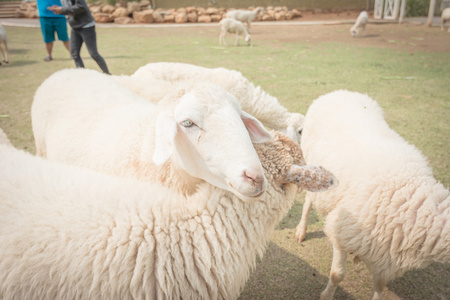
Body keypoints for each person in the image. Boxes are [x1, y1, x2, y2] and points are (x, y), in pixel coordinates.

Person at [48, 0, 110, 74]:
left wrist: (62, 9)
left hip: (86, 26)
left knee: (94, 54)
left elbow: (81, 7)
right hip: (75, 27)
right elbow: (70, 10)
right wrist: (59, 10)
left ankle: (108, 75)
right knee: (74, 54)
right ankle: (82, 75)